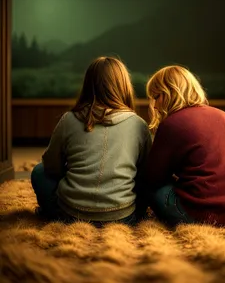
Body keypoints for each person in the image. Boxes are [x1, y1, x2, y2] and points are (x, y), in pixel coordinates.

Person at [31, 56, 152, 227]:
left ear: (88, 85)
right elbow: (147, 173)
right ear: (123, 86)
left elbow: (51, 167)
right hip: (124, 216)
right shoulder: (138, 124)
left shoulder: (69, 119)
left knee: (39, 172)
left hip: (72, 215)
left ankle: (52, 214)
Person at [145, 65, 225, 227]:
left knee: (149, 189)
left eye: (156, 96)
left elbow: (153, 178)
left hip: (201, 216)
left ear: (170, 93)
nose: (154, 106)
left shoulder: (171, 124)